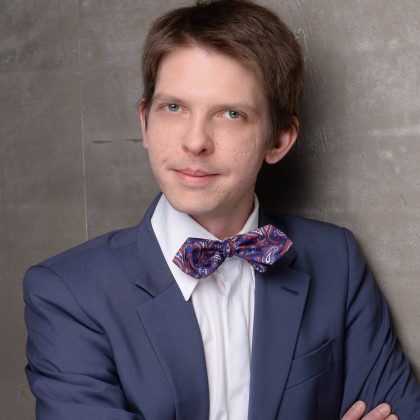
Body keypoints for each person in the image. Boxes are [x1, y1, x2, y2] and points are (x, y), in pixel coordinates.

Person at [23, 0, 420, 419]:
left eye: (231, 114)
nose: (195, 141)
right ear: (145, 122)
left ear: (279, 140)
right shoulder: (67, 292)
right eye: (173, 107)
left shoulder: (336, 260)